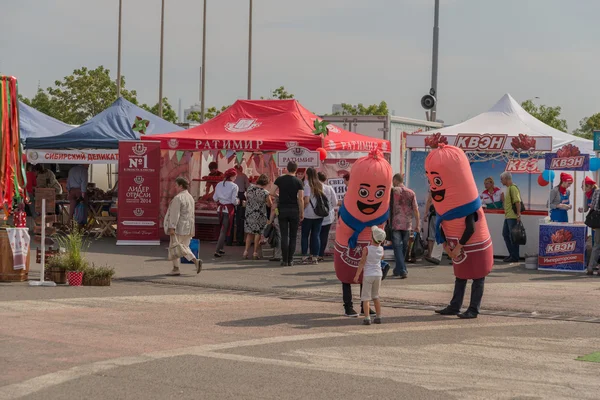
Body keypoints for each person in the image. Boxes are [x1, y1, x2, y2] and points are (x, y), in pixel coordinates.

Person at [425, 140, 493, 319]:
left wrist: (458, 246)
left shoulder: (468, 207)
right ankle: (455, 305)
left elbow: (470, 228)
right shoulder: (446, 209)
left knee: (477, 278)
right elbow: (443, 226)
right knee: (461, 276)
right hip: (458, 245)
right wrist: (448, 245)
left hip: (475, 244)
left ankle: (473, 309)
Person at [164, 177, 202, 276]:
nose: (175, 187)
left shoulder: (178, 198)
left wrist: (172, 227)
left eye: (176, 185)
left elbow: (175, 214)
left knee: (175, 248)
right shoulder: (190, 197)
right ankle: (196, 261)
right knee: (184, 247)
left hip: (179, 227)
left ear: (181, 186)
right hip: (189, 227)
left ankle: (176, 268)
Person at [271, 161, 304, 266]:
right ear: (296, 169)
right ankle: (290, 260)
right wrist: (302, 212)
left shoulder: (280, 179)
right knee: (293, 236)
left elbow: (271, 192)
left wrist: (278, 196)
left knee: (284, 235)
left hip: (282, 209)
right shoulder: (298, 181)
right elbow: (301, 199)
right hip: (294, 210)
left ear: (287, 168)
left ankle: (284, 260)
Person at [389, 173, 420, 278]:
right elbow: (415, 209)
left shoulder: (392, 192)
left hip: (395, 224)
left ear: (396, 180)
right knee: (403, 249)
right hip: (407, 225)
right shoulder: (411, 193)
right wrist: (418, 224)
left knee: (397, 248)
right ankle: (399, 269)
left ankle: (401, 270)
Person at [354, 226, 386, 325]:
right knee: (376, 296)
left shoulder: (366, 249)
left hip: (368, 274)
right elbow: (381, 259)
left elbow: (362, 262)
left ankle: (367, 318)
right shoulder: (381, 249)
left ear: (371, 238)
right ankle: (379, 316)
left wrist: (357, 275)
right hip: (378, 274)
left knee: (366, 297)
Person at [243, 174, 272, 260]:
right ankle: (255, 253)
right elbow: (269, 204)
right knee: (257, 233)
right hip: (260, 214)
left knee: (249, 233)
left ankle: (245, 252)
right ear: (266, 183)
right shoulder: (265, 192)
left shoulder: (249, 189)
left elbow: (247, 200)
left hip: (249, 213)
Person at [301, 167, 326, 264]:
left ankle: (304, 256)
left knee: (305, 235)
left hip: (308, 213)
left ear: (307, 174)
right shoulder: (320, 185)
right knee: (316, 235)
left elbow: (306, 200)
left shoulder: (307, 185)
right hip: (319, 213)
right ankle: (315, 257)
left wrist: (302, 210)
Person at [213, 168, 239, 258]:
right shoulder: (234, 186)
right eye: (235, 176)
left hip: (219, 209)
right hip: (228, 210)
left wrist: (221, 199)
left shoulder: (219, 184)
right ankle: (217, 250)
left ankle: (221, 248)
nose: (236, 177)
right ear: (231, 176)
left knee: (222, 229)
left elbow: (215, 198)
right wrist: (238, 202)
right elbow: (233, 200)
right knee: (224, 230)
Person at [317, 172, 340, 261]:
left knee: (316, 235)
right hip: (327, 215)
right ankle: (321, 254)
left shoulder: (313, 188)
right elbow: (335, 202)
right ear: (325, 179)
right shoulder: (329, 188)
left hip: (315, 215)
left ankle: (315, 253)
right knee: (324, 235)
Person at [500, 171, 522, 263]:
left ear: (506, 179)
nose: (501, 181)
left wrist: (518, 214)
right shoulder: (508, 188)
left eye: (502, 179)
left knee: (513, 237)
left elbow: (517, 201)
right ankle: (512, 254)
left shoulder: (513, 188)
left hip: (512, 216)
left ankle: (515, 256)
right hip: (508, 216)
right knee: (505, 234)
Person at [234, 164, 251, 246]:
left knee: (232, 219)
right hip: (240, 196)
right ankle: (239, 240)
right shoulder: (243, 176)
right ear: (241, 169)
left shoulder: (232, 176)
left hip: (233, 197)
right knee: (240, 219)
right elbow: (248, 187)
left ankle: (229, 240)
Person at [587, 183, 600, 276]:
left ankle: (590, 268)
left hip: (598, 220)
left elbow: (593, 206)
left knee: (596, 245)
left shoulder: (597, 191)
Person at [423, 190, 439, 264]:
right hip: (444, 214)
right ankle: (437, 256)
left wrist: (426, 214)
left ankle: (430, 255)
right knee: (441, 235)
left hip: (435, 213)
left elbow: (429, 201)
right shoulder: (447, 186)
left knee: (431, 235)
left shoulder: (434, 188)